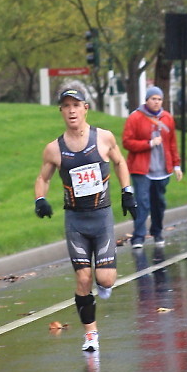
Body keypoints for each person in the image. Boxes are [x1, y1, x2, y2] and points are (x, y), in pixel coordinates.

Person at [34, 87, 137, 352]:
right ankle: (91, 335)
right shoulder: (54, 149)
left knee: (105, 280)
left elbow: (120, 162)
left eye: (76, 105)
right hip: (76, 222)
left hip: (102, 219)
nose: (71, 111)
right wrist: (40, 199)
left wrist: (128, 193)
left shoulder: (103, 138)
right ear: (61, 111)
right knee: (83, 278)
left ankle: (104, 284)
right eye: (66, 106)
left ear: (85, 108)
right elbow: (42, 179)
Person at [123, 86, 183, 249]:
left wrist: (176, 165)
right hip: (141, 169)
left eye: (159, 99)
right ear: (147, 100)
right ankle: (139, 237)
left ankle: (157, 232)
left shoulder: (167, 118)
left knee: (159, 203)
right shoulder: (135, 118)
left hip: (162, 170)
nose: (156, 102)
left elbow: (172, 143)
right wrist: (148, 144)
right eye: (153, 99)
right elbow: (127, 142)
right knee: (142, 202)